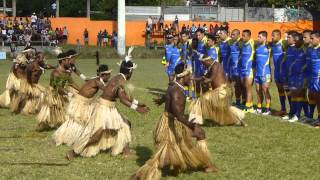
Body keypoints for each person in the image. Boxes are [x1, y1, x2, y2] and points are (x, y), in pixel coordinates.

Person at [131, 63, 218, 180]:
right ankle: (139, 175)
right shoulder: (178, 92)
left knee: (200, 134)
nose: (191, 78)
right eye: (189, 75)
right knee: (163, 158)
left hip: (172, 120)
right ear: (182, 77)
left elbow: (167, 94)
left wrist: (161, 100)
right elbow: (179, 115)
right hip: (172, 124)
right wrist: (191, 124)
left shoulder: (174, 86)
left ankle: (207, 164)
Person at [66, 47, 149, 160]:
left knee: (125, 124)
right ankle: (73, 152)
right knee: (97, 135)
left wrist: (138, 103)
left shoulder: (118, 77)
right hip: (104, 108)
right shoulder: (120, 80)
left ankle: (126, 150)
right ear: (130, 72)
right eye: (132, 71)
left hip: (107, 106)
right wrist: (137, 109)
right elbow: (123, 100)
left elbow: (123, 97)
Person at [53, 64, 112, 146]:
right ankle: (61, 138)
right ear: (104, 75)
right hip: (80, 102)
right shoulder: (97, 81)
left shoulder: (97, 80)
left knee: (80, 122)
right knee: (76, 122)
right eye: (108, 74)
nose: (110, 76)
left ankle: (74, 137)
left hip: (84, 102)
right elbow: (107, 91)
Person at [189, 53, 246, 126]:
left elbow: (210, 79)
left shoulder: (216, 65)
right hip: (220, 91)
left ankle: (195, 121)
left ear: (208, 61)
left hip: (222, 91)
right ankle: (241, 120)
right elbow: (203, 77)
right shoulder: (211, 66)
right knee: (224, 108)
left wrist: (205, 81)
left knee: (199, 101)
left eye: (204, 63)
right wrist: (192, 78)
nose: (203, 65)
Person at [36, 52, 79, 131]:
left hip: (61, 91)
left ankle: (59, 123)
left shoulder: (66, 71)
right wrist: (68, 94)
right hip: (53, 93)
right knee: (53, 110)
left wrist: (80, 91)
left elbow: (71, 83)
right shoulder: (56, 73)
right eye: (67, 60)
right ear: (62, 61)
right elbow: (58, 87)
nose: (69, 62)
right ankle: (47, 124)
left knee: (62, 110)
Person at [287, 32, 309, 122]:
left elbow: (308, 62)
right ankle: (307, 115)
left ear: (301, 40)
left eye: (296, 41)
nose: (295, 42)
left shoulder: (305, 49)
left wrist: (302, 69)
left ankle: (297, 114)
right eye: (294, 41)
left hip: (303, 76)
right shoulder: (296, 49)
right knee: (297, 94)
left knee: (300, 93)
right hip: (295, 75)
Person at [282, 31, 298, 120]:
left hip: (294, 76)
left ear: (294, 39)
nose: (287, 39)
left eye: (289, 37)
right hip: (287, 76)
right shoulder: (288, 48)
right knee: (288, 94)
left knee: (294, 94)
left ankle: (296, 113)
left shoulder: (297, 48)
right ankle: (291, 112)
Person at [271, 29, 288, 116]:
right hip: (277, 72)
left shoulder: (284, 43)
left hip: (284, 73)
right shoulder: (272, 44)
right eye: (271, 35)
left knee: (288, 91)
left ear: (278, 36)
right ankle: (283, 109)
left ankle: (292, 111)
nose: (272, 37)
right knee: (280, 90)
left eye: (273, 35)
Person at [254, 31, 272, 115]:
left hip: (265, 72)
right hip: (257, 72)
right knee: (258, 90)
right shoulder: (257, 47)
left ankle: (268, 109)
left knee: (265, 90)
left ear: (265, 38)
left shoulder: (269, 47)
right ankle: (259, 107)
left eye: (260, 37)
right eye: (258, 37)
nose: (258, 38)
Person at [240, 29, 255, 113]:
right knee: (245, 87)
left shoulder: (252, 43)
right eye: (242, 35)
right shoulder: (243, 44)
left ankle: (248, 107)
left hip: (249, 69)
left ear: (249, 36)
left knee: (248, 88)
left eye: (244, 35)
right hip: (243, 69)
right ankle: (250, 104)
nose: (242, 37)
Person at [308, 30, 320, 127]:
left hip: (318, 77)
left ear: (318, 38)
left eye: (312, 38)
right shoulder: (312, 49)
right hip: (313, 78)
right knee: (317, 98)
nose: (310, 40)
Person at [229, 29, 244, 106]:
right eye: (231, 34)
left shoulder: (241, 43)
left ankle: (244, 102)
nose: (232, 36)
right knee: (235, 86)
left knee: (240, 86)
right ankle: (237, 102)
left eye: (234, 34)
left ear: (238, 35)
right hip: (232, 68)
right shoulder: (232, 43)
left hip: (239, 68)